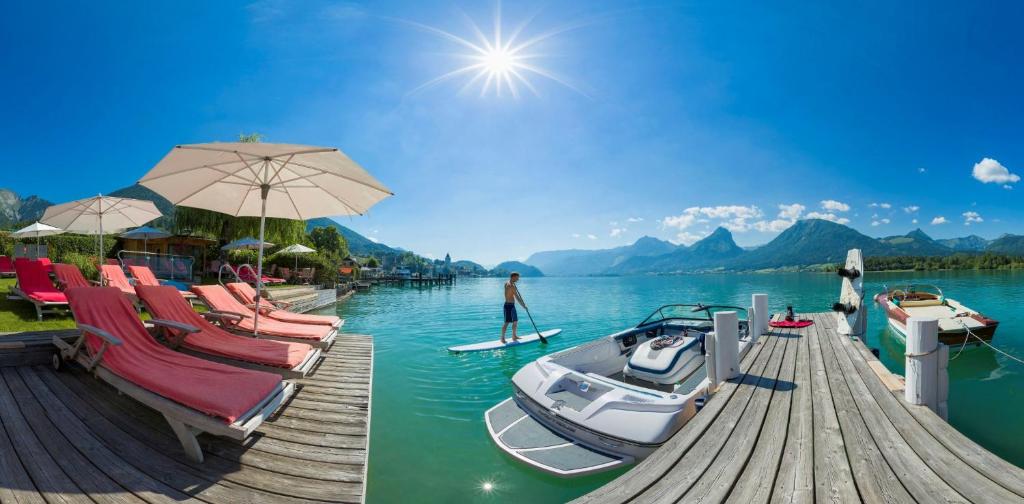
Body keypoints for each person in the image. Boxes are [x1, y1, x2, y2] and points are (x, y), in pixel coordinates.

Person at [501, 272, 527, 344]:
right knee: (507, 322)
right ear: (514, 277)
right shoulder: (511, 285)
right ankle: (502, 338)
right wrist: (524, 306)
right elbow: (517, 297)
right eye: (517, 278)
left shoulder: (507, 283)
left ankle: (514, 336)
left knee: (515, 321)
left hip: (510, 305)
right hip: (509, 306)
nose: (518, 279)